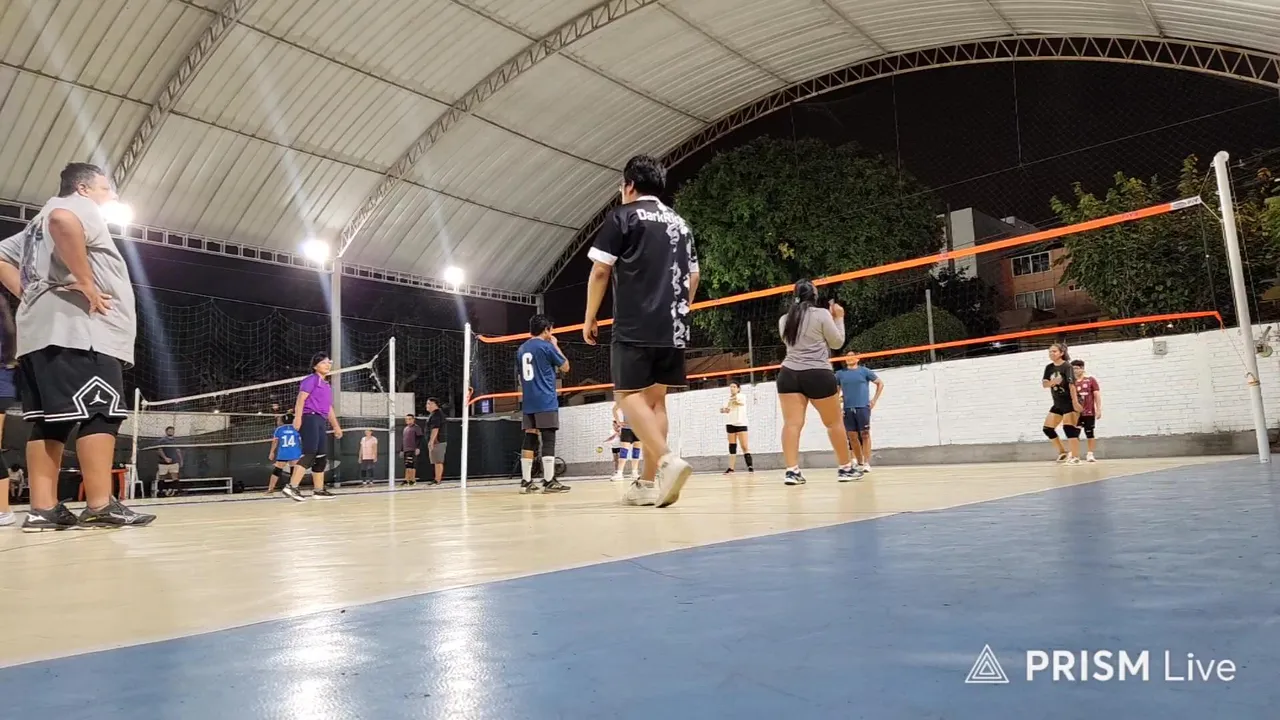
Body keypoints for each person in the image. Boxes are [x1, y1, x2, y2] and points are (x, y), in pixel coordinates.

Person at [0, 162, 153, 530]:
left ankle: (43, 509)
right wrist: (85, 281)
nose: (111, 195)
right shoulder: (75, 207)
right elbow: (64, 221)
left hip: (39, 334)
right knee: (101, 412)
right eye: (105, 188)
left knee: (49, 421)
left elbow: (1, 255)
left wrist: (27, 293)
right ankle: (100, 504)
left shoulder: (35, 224)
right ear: (83, 189)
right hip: (81, 331)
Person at [583, 154, 697, 508]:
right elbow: (694, 276)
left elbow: (600, 271)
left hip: (635, 324)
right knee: (656, 402)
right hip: (673, 325)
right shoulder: (681, 223)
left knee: (627, 395)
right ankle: (647, 484)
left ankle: (666, 460)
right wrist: (680, 309)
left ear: (629, 185)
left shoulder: (623, 216)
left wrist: (590, 317)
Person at [776, 280, 859, 485]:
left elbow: (791, 342)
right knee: (834, 423)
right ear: (814, 296)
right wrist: (838, 318)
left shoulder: (785, 319)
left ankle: (791, 471)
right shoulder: (822, 314)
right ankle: (845, 468)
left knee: (792, 424)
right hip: (818, 373)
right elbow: (837, 343)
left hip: (788, 373)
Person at [515, 314, 571, 494]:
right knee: (548, 439)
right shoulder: (546, 346)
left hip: (528, 400)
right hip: (545, 399)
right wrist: (555, 344)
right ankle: (548, 481)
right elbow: (565, 366)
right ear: (546, 330)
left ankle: (526, 482)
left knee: (530, 438)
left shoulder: (521, 349)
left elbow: (520, 376)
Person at [281, 352, 343, 501]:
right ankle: (291, 487)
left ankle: (318, 490)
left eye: (328, 362)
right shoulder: (311, 380)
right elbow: (300, 399)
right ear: (315, 366)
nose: (327, 365)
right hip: (310, 418)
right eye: (323, 362)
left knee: (321, 456)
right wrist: (297, 418)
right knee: (310, 453)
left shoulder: (326, 385)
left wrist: (336, 426)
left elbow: (328, 408)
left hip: (321, 420)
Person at [835, 357, 884, 473]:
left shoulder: (864, 371)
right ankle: (858, 461)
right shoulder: (840, 374)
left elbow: (880, 383)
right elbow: (836, 392)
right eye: (847, 356)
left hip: (862, 407)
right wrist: (838, 407)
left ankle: (866, 462)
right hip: (848, 408)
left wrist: (874, 400)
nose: (849, 358)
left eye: (852, 355)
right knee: (852, 436)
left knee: (865, 434)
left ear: (857, 358)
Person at [1041, 342, 1082, 465]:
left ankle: (1075, 457)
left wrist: (1075, 402)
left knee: (1069, 428)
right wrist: (1053, 382)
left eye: (1054, 351)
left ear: (1061, 353)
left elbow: (1072, 385)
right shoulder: (1049, 368)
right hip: (1058, 403)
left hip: (1069, 401)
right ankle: (1062, 452)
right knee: (1048, 429)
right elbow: (1045, 384)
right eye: (1050, 351)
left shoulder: (1067, 366)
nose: (1051, 353)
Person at [1071, 359, 1101, 462]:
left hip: (1088, 412)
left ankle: (1090, 454)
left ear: (1082, 368)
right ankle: (1074, 455)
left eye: (1076, 368)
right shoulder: (1071, 382)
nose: (1075, 371)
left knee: (1089, 433)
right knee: (1074, 434)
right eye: (1073, 369)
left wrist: (1098, 409)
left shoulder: (1091, 380)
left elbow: (1097, 395)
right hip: (1075, 413)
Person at [720, 382, 753, 474]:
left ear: (738, 389)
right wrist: (724, 410)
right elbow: (724, 409)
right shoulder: (727, 398)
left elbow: (737, 402)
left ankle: (750, 466)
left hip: (741, 423)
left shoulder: (741, 396)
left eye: (734, 387)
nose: (732, 388)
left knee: (744, 446)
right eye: (731, 387)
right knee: (732, 446)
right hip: (730, 423)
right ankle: (731, 468)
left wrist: (731, 402)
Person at [266, 413, 302, 494]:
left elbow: (275, 441)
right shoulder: (297, 428)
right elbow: (301, 441)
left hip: (283, 453)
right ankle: (293, 488)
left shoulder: (279, 429)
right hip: (294, 452)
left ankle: (270, 489)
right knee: (294, 471)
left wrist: (272, 452)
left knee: (277, 471)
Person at [611, 402, 642, 482]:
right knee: (624, 451)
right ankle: (619, 473)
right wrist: (618, 422)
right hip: (627, 429)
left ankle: (634, 473)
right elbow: (614, 409)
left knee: (636, 451)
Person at [155, 425, 183, 497]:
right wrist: (165, 458)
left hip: (174, 462)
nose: (171, 432)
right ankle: (160, 492)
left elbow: (178, 450)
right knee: (162, 477)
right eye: (169, 431)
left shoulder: (175, 441)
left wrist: (181, 460)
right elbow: (159, 450)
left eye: (172, 431)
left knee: (175, 476)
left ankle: (178, 491)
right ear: (166, 432)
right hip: (163, 463)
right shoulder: (162, 440)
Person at [425, 398, 445, 484]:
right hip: (436, 441)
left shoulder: (436, 414)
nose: (427, 405)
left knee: (438, 460)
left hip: (437, 441)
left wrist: (431, 441)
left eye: (429, 403)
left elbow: (435, 428)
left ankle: (437, 479)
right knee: (436, 460)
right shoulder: (434, 414)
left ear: (434, 404)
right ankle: (437, 479)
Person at [401, 414, 423, 485]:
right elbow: (403, 440)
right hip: (406, 449)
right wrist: (402, 450)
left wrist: (418, 448)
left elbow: (419, 438)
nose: (408, 420)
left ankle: (412, 480)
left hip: (412, 449)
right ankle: (407, 479)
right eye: (406, 419)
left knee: (411, 464)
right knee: (407, 464)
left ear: (413, 419)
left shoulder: (416, 428)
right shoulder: (405, 429)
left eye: (410, 419)